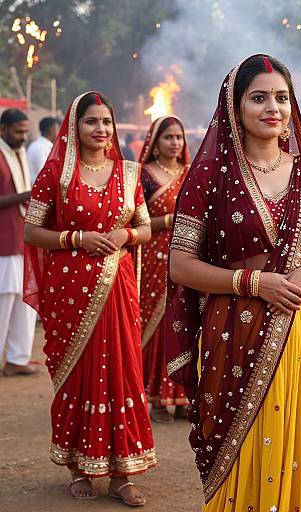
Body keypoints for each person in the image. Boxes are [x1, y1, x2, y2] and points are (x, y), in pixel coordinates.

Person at [165, 54, 301, 511]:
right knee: (243, 445)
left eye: (282, 97)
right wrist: (253, 282)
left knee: (299, 441)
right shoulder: (209, 175)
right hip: (234, 331)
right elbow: (181, 264)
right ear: (235, 106)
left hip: (300, 331)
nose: (273, 107)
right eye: (259, 97)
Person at [23, 92, 156, 506]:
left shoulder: (129, 173)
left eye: (107, 122)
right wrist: (76, 238)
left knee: (123, 370)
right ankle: (80, 466)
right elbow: (32, 231)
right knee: (79, 373)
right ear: (74, 128)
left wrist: (125, 235)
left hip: (117, 288)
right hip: (70, 290)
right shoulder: (57, 176)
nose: (101, 130)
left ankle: (123, 474)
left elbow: (146, 228)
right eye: (91, 122)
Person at [139, 115, 190, 422]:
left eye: (179, 137)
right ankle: (157, 397)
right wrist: (172, 220)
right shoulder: (144, 175)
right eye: (168, 137)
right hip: (154, 258)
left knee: (185, 322)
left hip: (188, 256)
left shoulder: (191, 172)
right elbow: (136, 219)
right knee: (157, 326)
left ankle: (183, 396)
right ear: (155, 143)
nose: (175, 143)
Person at [0, 108, 38, 376]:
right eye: (17, 132)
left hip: (21, 238)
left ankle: (17, 359)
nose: (23, 137)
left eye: (25, 132)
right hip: (3, 242)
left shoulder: (18, 152)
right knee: (3, 302)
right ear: (3, 129)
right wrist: (25, 194)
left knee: (22, 302)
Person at [27, 117, 59, 184]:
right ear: (51, 130)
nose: (59, 133)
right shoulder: (40, 148)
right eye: (57, 129)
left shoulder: (42, 146)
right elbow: (45, 176)